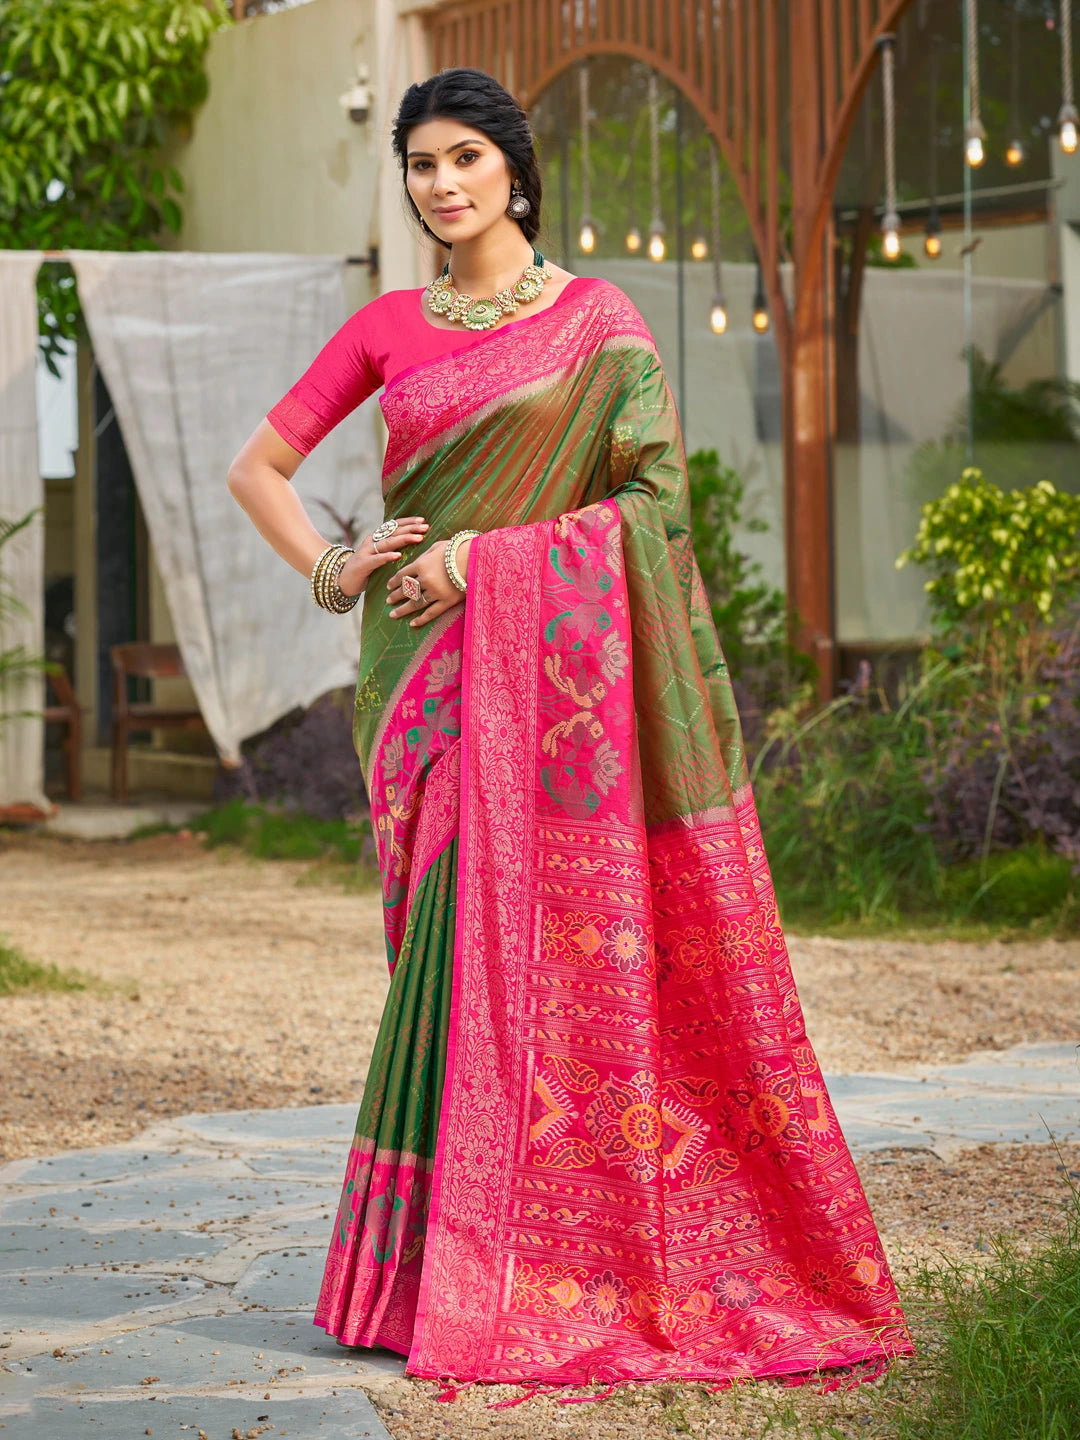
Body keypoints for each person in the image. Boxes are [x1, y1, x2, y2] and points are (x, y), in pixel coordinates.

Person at [227, 66, 911, 1392]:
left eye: (462, 159)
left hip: (543, 683)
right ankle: (424, 1278)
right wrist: (341, 564)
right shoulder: (383, 329)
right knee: (444, 957)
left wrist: (488, 562)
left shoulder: (600, 324)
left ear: (515, 172)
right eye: (421, 163)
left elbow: (655, 513)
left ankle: (504, 1266)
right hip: (419, 691)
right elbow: (259, 469)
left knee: (497, 960)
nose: (439, 183)